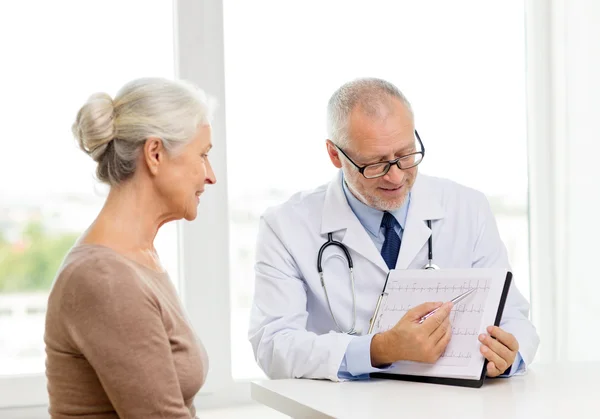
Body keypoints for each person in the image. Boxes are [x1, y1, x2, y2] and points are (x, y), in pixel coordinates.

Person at [248, 77, 539, 381]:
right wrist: (380, 348)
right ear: (335, 155)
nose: (396, 177)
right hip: (343, 409)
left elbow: (513, 317)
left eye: (405, 155)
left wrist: (510, 356)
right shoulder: (285, 226)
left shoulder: (468, 208)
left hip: (450, 404)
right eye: (375, 164)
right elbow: (273, 344)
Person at [44, 77, 216, 418]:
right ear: (155, 154)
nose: (211, 176)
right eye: (203, 155)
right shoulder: (105, 278)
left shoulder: (136, 262)